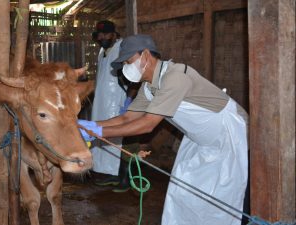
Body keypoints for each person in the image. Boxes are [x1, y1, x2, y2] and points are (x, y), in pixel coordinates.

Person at [79, 34, 248, 225]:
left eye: (128, 61)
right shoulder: (149, 87)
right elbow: (128, 117)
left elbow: (148, 124)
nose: (126, 68)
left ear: (145, 55)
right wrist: (90, 125)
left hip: (228, 135)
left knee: (224, 197)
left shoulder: (176, 77)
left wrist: (98, 133)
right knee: (183, 191)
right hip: (200, 139)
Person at [87, 20, 130, 188]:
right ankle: (109, 173)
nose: (102, 37)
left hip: (117, 101)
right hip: (103, 102)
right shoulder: (102, 51)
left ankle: (122, 177)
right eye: (99, 34)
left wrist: (128, 101)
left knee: (118, 139)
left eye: (106, 34)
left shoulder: (121, 48)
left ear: (114, 34)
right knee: (104, 137)